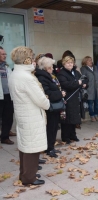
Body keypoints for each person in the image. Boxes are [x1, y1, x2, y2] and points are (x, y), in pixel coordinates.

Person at [8, 46, 50, 185]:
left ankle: (25, 175)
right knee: (32, 149)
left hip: (23, 114)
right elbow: (41, 100)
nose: (34, 61)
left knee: (25, 147)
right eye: (31, 58)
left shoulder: (15, 74)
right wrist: (47, 101)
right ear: (26, 60)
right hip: (31, 115)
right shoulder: (27, 78)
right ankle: (29, 178)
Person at [35, 57, 66, 157]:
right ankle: (49, 148)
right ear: (45, 68)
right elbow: (47, 93)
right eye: (50, 67)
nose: (52, 69)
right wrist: (60, 94)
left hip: (55, 105)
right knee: (50, 128)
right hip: (50, 106)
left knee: (54, 127)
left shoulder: (49, 76)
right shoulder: (42, 77)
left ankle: (51, 146)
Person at [57, 56, 87, 143]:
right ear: (64, 64)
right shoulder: (61, 73)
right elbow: (66, 85)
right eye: (68, 63)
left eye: (71, 62)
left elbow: (84, 79)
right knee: (67, 119)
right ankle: (65, 137)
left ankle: (73, 135)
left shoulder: (75, 72)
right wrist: (78, 83)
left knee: (74, 118)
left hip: (76, 98)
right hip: (68, 98)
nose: (70, 64)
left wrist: (84, 84)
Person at [0, 46, 15, 145]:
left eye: (5, 54)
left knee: (8, 117)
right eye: (2, 54)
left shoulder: (7, 67)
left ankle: (5, 137)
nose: (5, 56)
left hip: (8, 96)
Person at [80, 56, 98, 122]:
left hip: (97, 87)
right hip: (89, 88)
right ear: (85, 62)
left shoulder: (95, 67)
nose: (91, 61)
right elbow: (83, 78)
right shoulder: (83, 68)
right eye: (89, 60)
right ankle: (92, 115)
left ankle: (96, 114)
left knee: (97, 102)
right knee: (90, 103)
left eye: (91, 60)